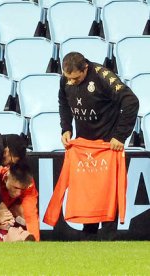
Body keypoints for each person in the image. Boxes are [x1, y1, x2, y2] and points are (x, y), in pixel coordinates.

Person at [47, 52, 139, 239]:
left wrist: (120, 136)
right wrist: (66, 128)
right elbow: (63, 101)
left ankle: (107, 236)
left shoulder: (102, 76)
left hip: (107, 146)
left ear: (85, 69)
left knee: (107, 192)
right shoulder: (65, 79)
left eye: (76, 78)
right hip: (84, 146)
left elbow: (131, 102)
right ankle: (88, 235)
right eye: (68, 78)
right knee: (88, 191)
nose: (71, 82)